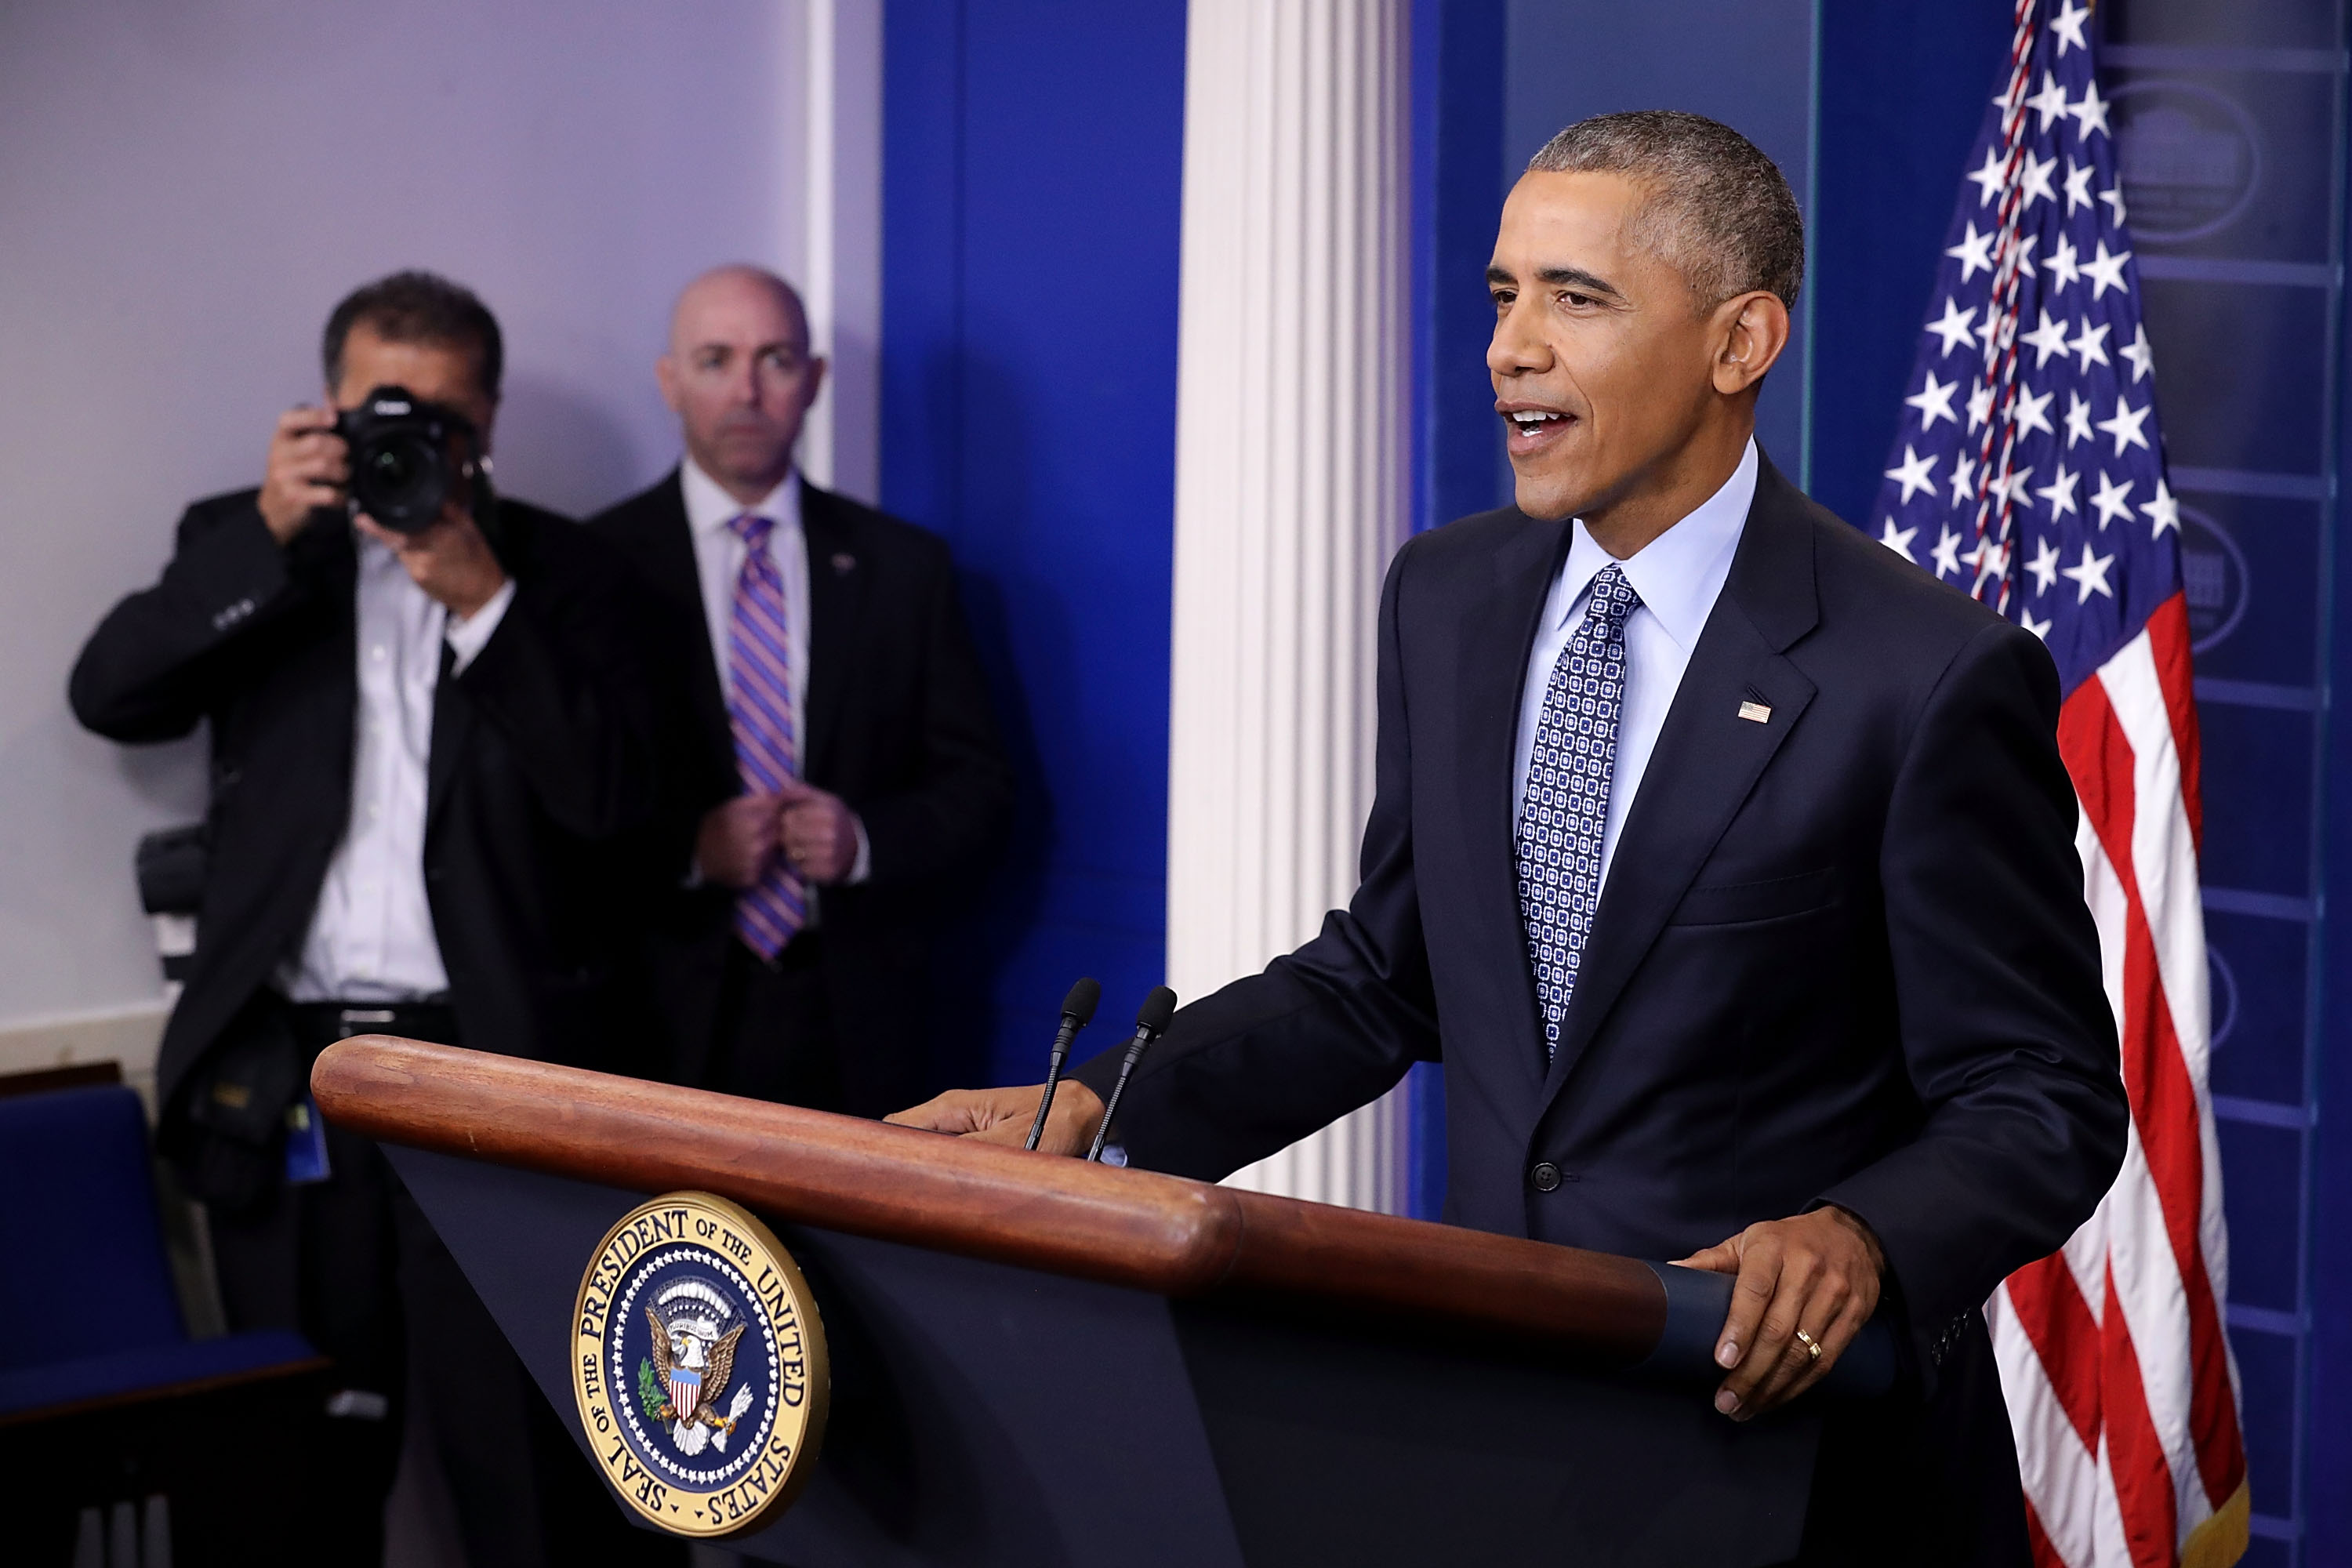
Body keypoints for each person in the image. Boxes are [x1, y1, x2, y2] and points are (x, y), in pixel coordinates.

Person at [889, 112, 2128, 1564]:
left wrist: (1858, 1236)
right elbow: (1386, 971)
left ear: (1741, 342)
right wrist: (1104, 1113)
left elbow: (2040, 1091)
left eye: (1574, 299)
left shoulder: (1921, 673)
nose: (1510, 349)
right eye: (1502, 295)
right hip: (1505, 1436)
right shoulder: (1448, 595)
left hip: (1799, 1471)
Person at [69, 270, 676, 1566]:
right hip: (289, 1085)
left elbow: (626, 811)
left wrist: (485, 607)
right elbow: (112, 696)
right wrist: (268, 542)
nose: (409, 440)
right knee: (291, 1470)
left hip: (494, 1083)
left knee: (518, 1462)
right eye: (375, 411)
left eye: (441, 415)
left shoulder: (570, 570)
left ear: (489, 422)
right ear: (325, 411)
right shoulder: (242, 538)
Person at [591, 265, 1013, 1117]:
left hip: (858, 1017)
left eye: (776, 359)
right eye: (716, 359)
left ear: (814, 380)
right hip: (657, 1017)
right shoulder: (595, 565)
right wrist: (688, 851)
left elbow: (982, 788)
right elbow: (556, 810)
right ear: (670, 380)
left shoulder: (905, 568)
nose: (747, 389)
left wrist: (862, 839)